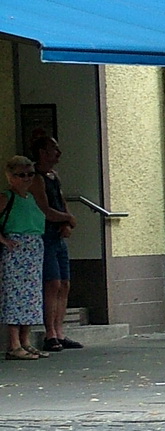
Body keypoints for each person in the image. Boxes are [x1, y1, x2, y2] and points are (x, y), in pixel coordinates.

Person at [27, 137, 80, 351]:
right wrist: (66, 219)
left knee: (64, 284)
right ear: (42, 152)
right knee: (52, 283)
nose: (58, 152)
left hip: (58, 235)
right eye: (53, 148)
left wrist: (67, 220)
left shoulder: (54, 176)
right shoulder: (37, 178)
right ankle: (50, 333)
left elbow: (61, 202)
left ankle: (60, 331)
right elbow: (44, 209)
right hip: (45, 235)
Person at [2, 156, 48, 360]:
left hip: (34, 249)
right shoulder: (5, 197)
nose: (27, 178)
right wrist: (4, 240)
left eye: (31, 174)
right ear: (10, 176)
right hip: (16, 250)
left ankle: (25, 341)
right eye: (22, 175)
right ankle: (13, 344)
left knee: (31, 296)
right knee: (15, 295)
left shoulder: (31, 198)